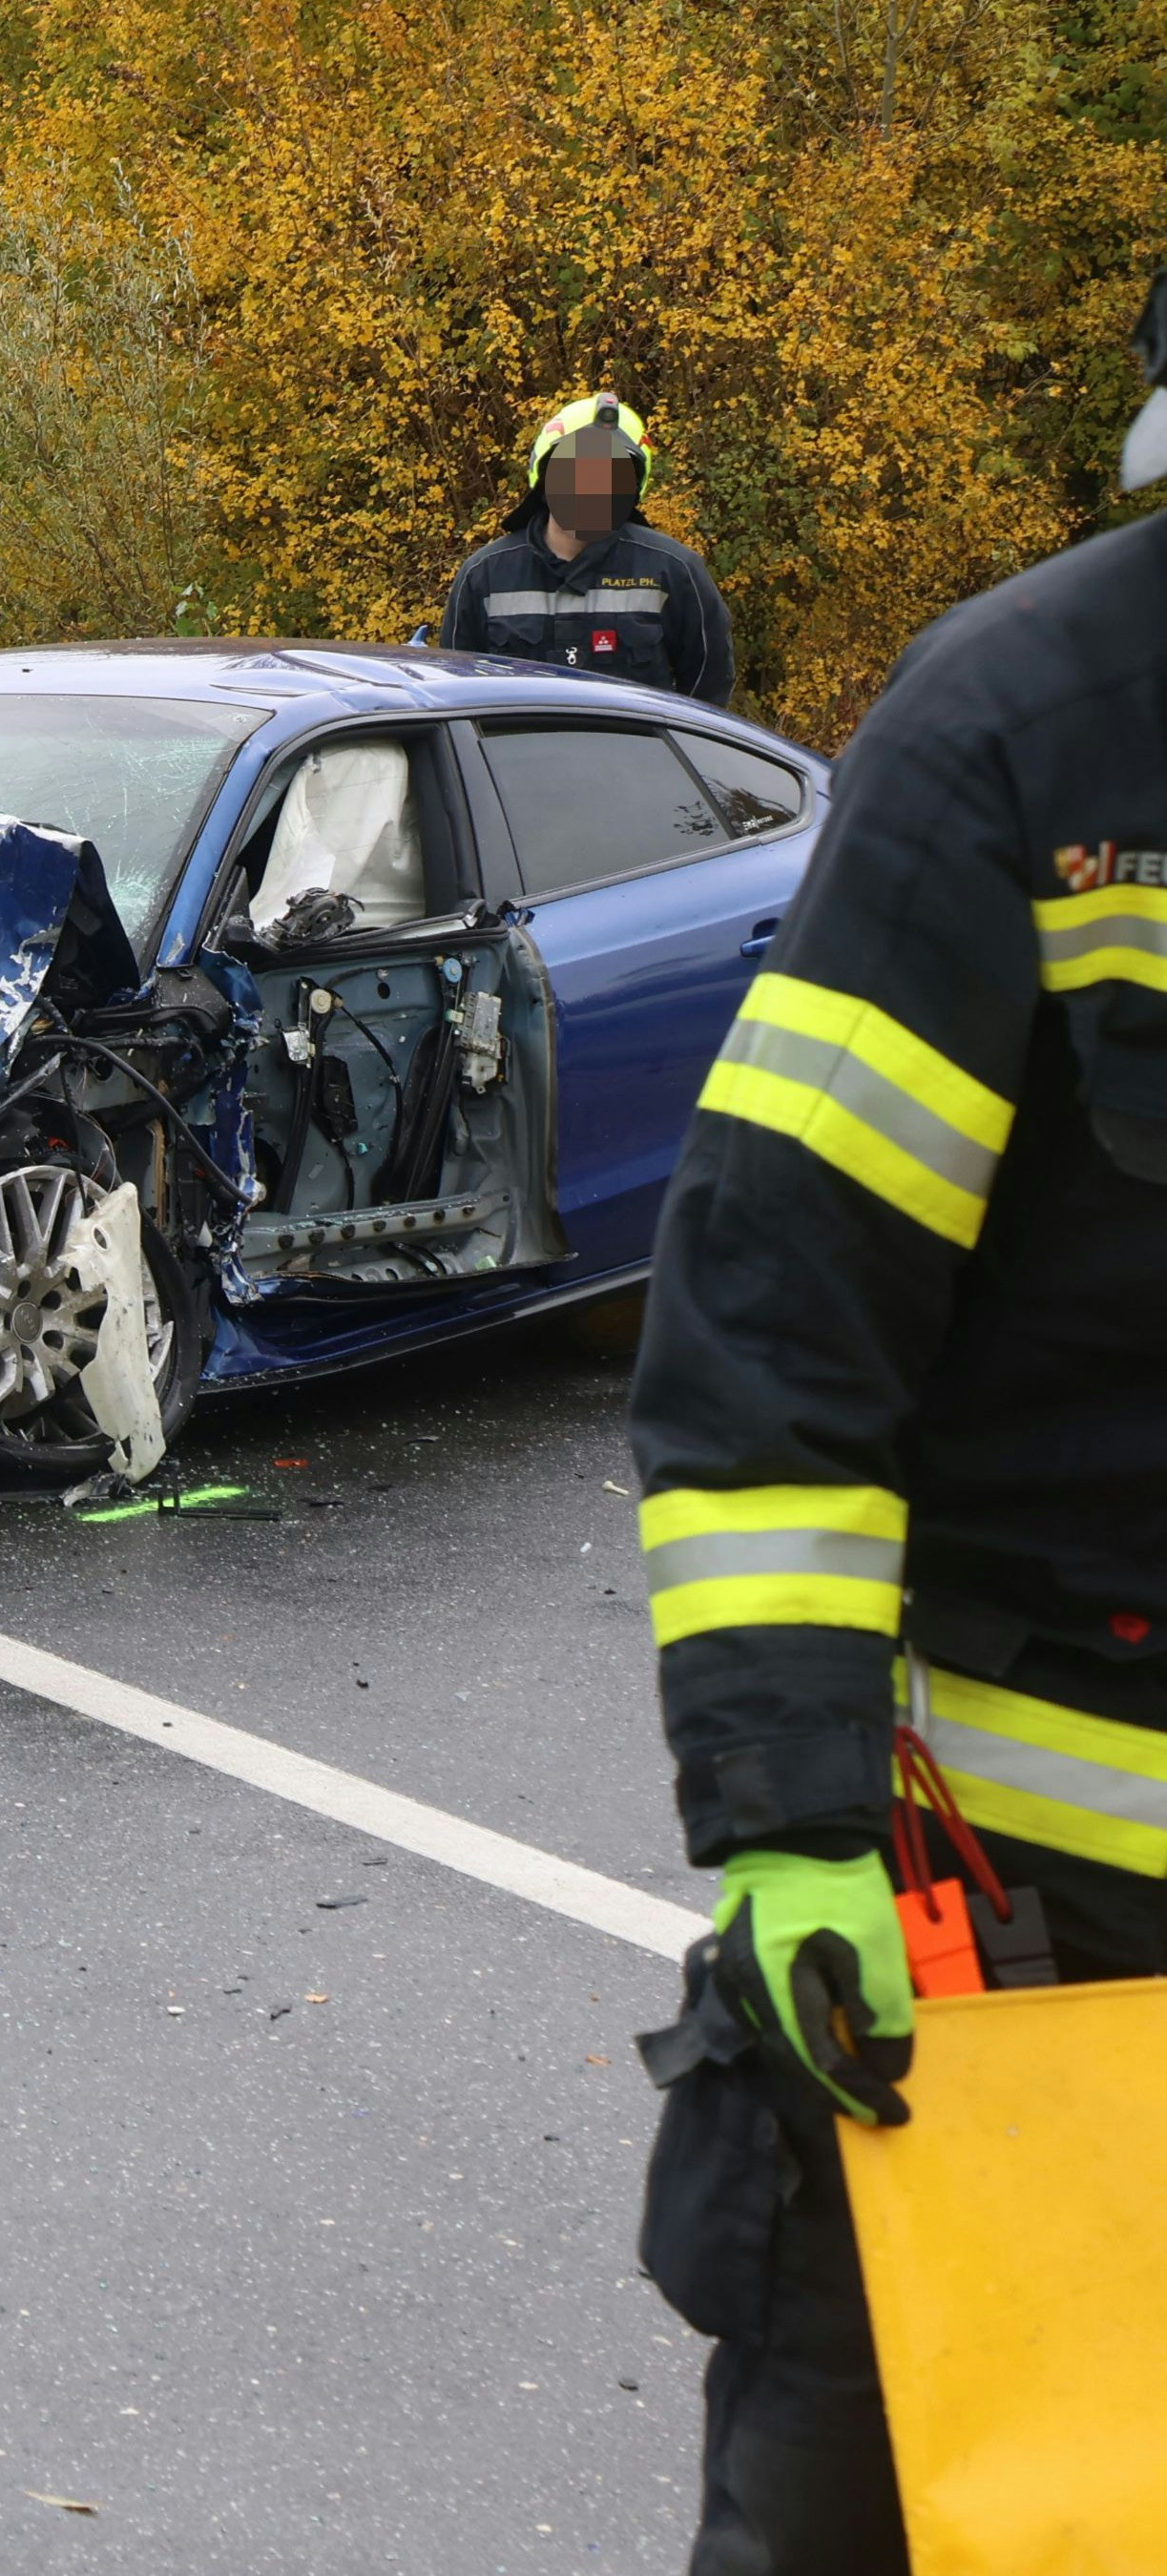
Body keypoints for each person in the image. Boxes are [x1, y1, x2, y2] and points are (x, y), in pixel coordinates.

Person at [620, 270, 1167, 2574]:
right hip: (1030, 1947)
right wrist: (788, 1815)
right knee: (893, 2521)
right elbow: (776, 1312)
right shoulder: (1030, 733)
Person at [443, 394, 735, 707]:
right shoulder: (484, 577)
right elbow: (456, 697)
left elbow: (708, 695)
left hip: (635, 755)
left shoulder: (674, 572)